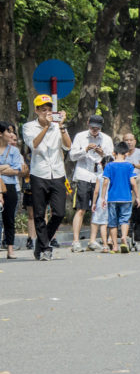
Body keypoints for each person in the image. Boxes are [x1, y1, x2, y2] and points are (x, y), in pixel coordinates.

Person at [22, 94, 72, 260]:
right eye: (43, 110)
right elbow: (34, 144)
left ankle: (41, 243)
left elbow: (68, 146)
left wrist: (61, 126)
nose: (47, 113)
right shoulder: (29, 127)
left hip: (57, 173)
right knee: (39, 213)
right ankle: (45, 248)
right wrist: (46, 127)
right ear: (36, 111)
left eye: (50, 110)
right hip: (39, 173)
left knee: (58, 213)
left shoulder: (58, 126)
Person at [69, 115, 114, 252]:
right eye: (92, 127)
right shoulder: (80, 136)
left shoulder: (106, 139)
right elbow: (72, 156)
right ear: (88, 124)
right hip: (83, 175)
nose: (94, 130)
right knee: (81, 209)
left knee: (99, 209)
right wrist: (86, 149)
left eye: (97, 128)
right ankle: (76, 241)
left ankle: (92, 240)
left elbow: (111, 159)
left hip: (100, 176)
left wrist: (102, 153)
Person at [99, 141, 137, 254]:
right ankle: (124, 238)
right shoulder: (129, 166)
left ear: (114, 153)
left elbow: (105, 182)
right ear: (126, 153)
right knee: (125, 219)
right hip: (126, 198)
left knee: (112, 222)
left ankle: (115, 245)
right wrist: (138, 196)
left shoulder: (109, 166)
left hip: (112, 198)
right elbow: (133, 183)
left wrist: (102, 198)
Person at [0, 121, 24, 259]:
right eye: (8, 131)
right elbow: (10, 168)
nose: (11, 134)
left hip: (10, 186)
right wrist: (6, 166)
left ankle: (10, 248)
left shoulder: (14, 151)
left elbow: (16, 170)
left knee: (9, 218)